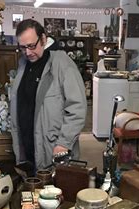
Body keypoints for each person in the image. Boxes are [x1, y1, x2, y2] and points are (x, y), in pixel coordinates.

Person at [10, 19, 87, 170]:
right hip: (28, 148)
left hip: (53, 149)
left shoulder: (62, 64)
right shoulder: (23, 64)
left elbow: (78, 108)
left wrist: (64, 143)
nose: (27, 52)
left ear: (44, 39)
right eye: (23, 48)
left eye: (32, 46)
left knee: (58, 191)